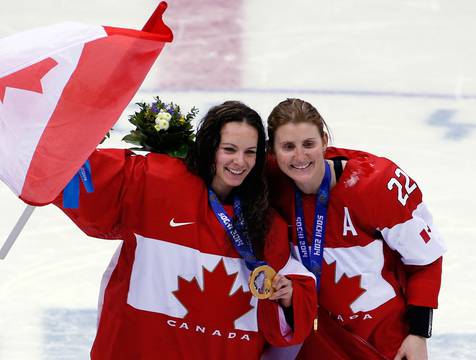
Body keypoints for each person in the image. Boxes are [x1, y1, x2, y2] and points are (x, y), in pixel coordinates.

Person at [54, 101, 317, 359]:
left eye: (250, 152)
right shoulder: (155, 182)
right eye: (229, 149)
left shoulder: (267, 225)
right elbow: (84, 176)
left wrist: (288, 295)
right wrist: (54, 151)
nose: (240, 161)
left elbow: (296, 294)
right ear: (209, 147)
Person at [266, 98, 446, 360]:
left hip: (382, 341)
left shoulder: (376, 186)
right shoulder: (268, 183)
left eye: (309, 144)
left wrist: (418, 334)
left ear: (324, 140)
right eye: (288, 147)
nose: (300, 156)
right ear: (272, 150)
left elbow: (426, 259)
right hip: (316, 340)